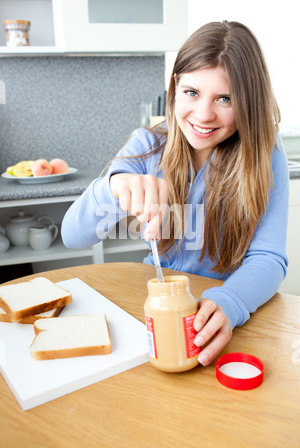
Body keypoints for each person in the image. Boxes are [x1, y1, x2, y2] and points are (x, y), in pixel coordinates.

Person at [61, 21, 289, 367]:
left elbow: (269, 259)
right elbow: (72, 236)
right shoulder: (147, 146)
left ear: (249, 102)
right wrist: (111, 188)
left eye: (225, 98)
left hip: (223, 313)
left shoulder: (266, 155)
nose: (203, 114)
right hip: (154, 303)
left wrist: (231, 302)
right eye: (192, 93)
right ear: (174, 86)